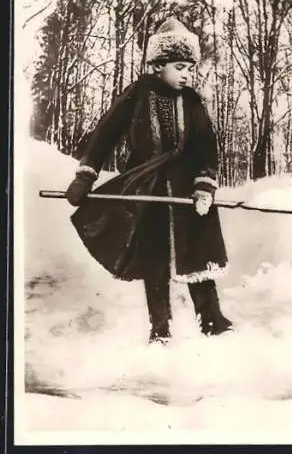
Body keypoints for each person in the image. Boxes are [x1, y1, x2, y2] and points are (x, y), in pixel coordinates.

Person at [66, 18, 232, 344]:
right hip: (147, 189)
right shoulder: (137, 95)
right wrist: (86, 175)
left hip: (188, 191)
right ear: (158, 66)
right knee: (154, 257)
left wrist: (204, 186)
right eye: (180, 67)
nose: (188, 74)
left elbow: (206, 148)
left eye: (191, 68)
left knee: (198, 251)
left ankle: (212, 321)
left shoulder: (193, 102)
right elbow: (105, 135)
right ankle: (160, 329)